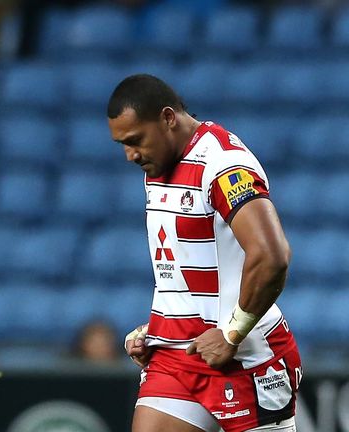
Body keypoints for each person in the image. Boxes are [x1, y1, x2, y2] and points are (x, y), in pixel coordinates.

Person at [108, 75, 301, 432]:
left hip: (244, 356)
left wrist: (231, 332)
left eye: (135, 141)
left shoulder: (223, 165)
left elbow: (272, 255)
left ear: (168, 119)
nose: (130, 155)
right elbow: (195, 265)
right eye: (122, 144)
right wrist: (163, 324)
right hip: (179, 355)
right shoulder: (159, 164)